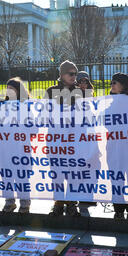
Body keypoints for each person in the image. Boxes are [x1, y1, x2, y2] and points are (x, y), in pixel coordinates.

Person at [45, 60, 83, 216]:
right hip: (55, 139)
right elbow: (44, 112)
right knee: (57, 172)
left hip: (73, 139)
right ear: (61, 74)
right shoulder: (51, 91)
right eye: (71, 73)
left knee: (73, 172)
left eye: (75, 73)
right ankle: (58, 203)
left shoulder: (80, 92)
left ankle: (72, 203)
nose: (74, 76)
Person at [109, 73, 128, 220]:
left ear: (124, 85)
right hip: (115, 148)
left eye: (114, 82)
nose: (111, 85)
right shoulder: (108, 103)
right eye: (111, 83)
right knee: (117, 179)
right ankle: (119, 210)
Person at [1, 77, 32, 214]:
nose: (9, 91)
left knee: (22, 176)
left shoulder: (27, 106)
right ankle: (9, 202)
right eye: (7, 88)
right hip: (4, 148)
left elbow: (34, 128)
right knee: (7, 177)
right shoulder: (1, 105)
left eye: (12, 89)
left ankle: (24, 203)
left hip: (21, 148)